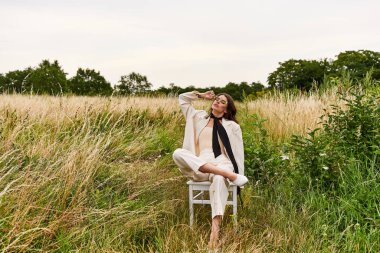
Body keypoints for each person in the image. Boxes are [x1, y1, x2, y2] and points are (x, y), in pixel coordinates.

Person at [172, 90, 248, 250]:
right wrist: (200, 95)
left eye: (222, 102)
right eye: (217, 99)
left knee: (219, 178)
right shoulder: (197, 117)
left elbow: (238, 153)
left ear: (226, 110)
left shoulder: (232, 126)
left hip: (222, 162)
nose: (217, 102)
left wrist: (239, 176)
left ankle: (214, 236)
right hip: (200, 163)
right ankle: (228, 175)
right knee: (177, 153)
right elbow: (183, 99)